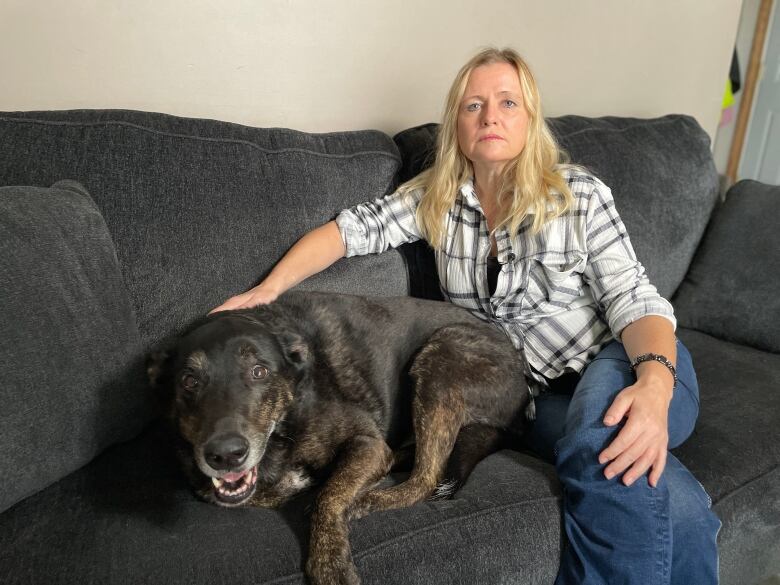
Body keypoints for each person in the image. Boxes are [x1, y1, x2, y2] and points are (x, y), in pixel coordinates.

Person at [212, 47, 720, 584]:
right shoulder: (437, 199)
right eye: (473, 105)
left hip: (629, 360)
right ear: (456, 122)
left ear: (531, 118)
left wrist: (655, 385)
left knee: (602, 448)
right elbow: (346, 232)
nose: (491, 116)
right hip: (537, 400)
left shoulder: (579, 195)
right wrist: (268, 289)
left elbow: (635, 301)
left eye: (507, 102)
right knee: (673, 503)